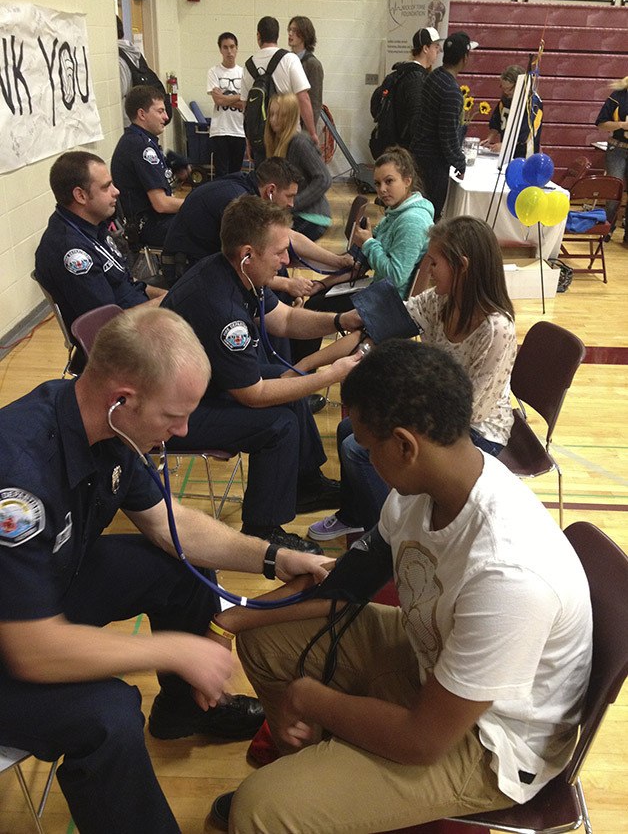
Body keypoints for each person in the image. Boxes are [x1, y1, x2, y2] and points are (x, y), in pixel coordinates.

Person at [206, 339, 592, 833]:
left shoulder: (509, 574)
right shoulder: (428, 486)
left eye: (367, 447)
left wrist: (309, 698)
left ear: (405, 445)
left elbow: (423, 740)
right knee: (263, 640)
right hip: (434, 660)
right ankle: (319, 793)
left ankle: (304, 802)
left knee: (260, 809)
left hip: (490, 742)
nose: (362, 456)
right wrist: (231, 620)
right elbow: (345, 587)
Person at [0, 305, 334, 834]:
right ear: (122, 399)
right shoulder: (17, 475)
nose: (181, 432)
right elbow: (31, 649)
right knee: (108, 715)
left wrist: (273, 557)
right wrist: (178, 650)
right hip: (17, 638)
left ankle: (185, 711)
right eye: (172, 416)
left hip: (38, 594)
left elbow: (170, 525)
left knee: (175, 567)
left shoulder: (104, 427)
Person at [161, 195, 364, 553]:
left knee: (289, 385)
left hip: (202, 384)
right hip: (172, 413)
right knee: (278, 423)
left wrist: (338, 321)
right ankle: (263, 530)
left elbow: (283, 319)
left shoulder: (233, 271)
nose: (287, 260)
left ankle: (304, 485)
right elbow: (252, 395)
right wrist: (331, 373)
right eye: (280, 252)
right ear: (247, 254)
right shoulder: (219, 307)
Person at [308, 215, 516, 541]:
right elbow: (381, 326)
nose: (428, 269)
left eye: (434, 262)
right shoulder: (440, 301)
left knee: (357, 448)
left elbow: (471, 411)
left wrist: (403, 413)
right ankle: (355, 514)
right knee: (350, 427)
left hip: (475, 428)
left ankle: (388, 537)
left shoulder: (496, 329)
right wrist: (309, 365)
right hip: (433, 407)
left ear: (462, 266)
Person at [291, 146, 434, 363]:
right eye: (378, 184)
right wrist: (324, 283)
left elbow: (395, 277)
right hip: (380, 291)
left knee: (314, 308)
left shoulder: (412, 221)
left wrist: (368, 243)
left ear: (407, 180)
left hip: (394, 304)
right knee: (318, 299)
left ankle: (301, 376)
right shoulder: (396, 213)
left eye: (389, 181)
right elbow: (364, 263)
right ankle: (300, 372)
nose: (382, 189)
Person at [162, 156, 352, 286]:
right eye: (289, 196)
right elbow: (246, 266)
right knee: (276, 289)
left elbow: (289, 236)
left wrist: (337, 261)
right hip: (185, 269)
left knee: (279, 276)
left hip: (200, 259)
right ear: (271, 190)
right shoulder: (238, 201)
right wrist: (287, 285)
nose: (292, 204)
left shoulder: (246, 187)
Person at [35, 151, 165, 339]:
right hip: (121, 343)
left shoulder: (93, 225)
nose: (116, 191)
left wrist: (170, 296)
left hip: (138, 319)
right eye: (106, 187)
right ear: (80, 195)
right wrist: (168, 302)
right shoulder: (72, 252)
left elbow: (129, 284)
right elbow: (108, 325)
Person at [410, 31, 478, 221]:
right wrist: (460, 161)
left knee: (417, 210)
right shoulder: (451, 91)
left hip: (419, 155)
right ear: (465, 58)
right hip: (433, 164)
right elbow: (447, 136)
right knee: (429, 215)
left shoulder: (434, 76)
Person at [111, 85, 183, 248]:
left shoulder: (139, 140)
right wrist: (196, 204)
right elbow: (161, 204)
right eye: (160, 111)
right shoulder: (141, 147)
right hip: (149, 226)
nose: (165, 117)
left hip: (154, 221)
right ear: (142, 114)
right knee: (209, 229)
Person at [241, 16, 318, 166]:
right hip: (288, 138)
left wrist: (248, 141)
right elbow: (303, 98)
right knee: (289, 183)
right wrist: (312, 133)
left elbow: (246, 109)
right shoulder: (289, 59)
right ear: (278, 35)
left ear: (258, 35)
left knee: (264, 183)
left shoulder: (248, 65)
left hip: (260, 140)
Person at [264, 93, 332, 240]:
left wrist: (293, 203)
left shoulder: (300, 143)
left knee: (269, 243)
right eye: (272, 114)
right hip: (295, 214)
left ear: (291, 117)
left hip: (312, 217)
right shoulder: (277, 143)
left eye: (280, 115)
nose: (274, 120)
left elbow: (324, 179)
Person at [389, 27, 443, 151]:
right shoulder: (416, 78)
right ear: (425, 48)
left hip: (399, 146)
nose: (439, 50)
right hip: (407, 150)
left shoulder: (406, 71)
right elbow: (416, 120)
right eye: (436, 46)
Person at [481, 65, 543, 158]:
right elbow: (497, 120)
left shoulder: (533, 104)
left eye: (509, 89)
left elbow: (525, 133)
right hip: (506, 153)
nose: (506, 92)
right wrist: (490, 138)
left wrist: (504, 146)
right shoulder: (506, 98)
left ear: (520, 86)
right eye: (503, 88)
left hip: (524, 155)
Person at [207, 32, 247, 178]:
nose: (229, 51)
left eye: (232, 47)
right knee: (221, 174)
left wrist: (225, 96)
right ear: (220, 49)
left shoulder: (244, 73)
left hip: (239, 130)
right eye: (225, 47)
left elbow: (245, 103)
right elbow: (219, 101)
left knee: (236, 174)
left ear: (237, 48)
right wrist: (239, 96)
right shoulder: (214, 72)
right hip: (220, 130)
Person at [595, 76, 628, 246]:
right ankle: (607, 227)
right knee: (614, 191)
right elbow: (601, 123)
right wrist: (621, 125)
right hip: (618, 148)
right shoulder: (617, 97)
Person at [287, 16, 324, 126]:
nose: (290, 33)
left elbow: (315, 103)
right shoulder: (285, 60)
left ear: (304, 34)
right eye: (289, 29)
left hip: (301, 126)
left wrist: (308, 132)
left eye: (294, 30)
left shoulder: (313, 65)